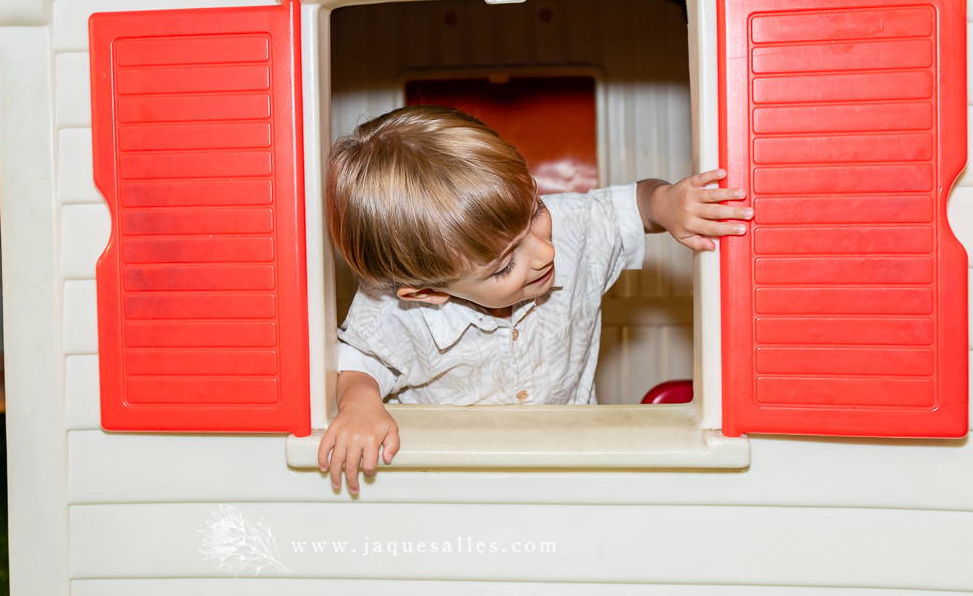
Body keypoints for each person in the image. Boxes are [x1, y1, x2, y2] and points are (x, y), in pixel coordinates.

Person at [318, 105, 753, 493]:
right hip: (453, 483)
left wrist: (667, 202)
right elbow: (360, 359)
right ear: (428, 292)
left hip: (571, 468)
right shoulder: (392, 306)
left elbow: (631, 206)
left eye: (535, 211)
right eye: (504, 266)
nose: (546, 253)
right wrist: (359, 406)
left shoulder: (568, 225)